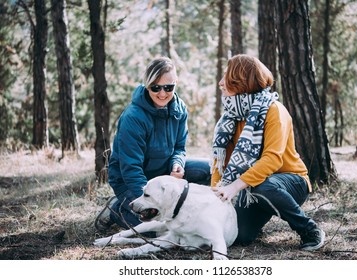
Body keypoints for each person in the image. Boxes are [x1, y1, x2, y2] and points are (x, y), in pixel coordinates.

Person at [210, 54, 325, 251]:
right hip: (251, 185)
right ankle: (258, 218)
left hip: (290, 180)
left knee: (262, 187)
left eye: (227, 78)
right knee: (239, 236)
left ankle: (309, 229)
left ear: (241, 81)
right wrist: (216, 194)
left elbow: (272, 159)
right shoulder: (230, 116)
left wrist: (234, 187)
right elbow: (221, 163)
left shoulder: (274, 110)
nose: (221, 83)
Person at [95, 56, 211, 232]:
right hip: (130, 181)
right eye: (155, 88)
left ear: (175, 84)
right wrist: (152, 202)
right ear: (147, 85)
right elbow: (131, 169)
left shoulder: (180, 110)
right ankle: (117, 209)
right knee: (158, 231)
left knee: (209, 169)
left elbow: (180, 147)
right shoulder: (133, 117)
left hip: (163, 174)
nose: (162, 93)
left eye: (168, 87)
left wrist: (177, 163)